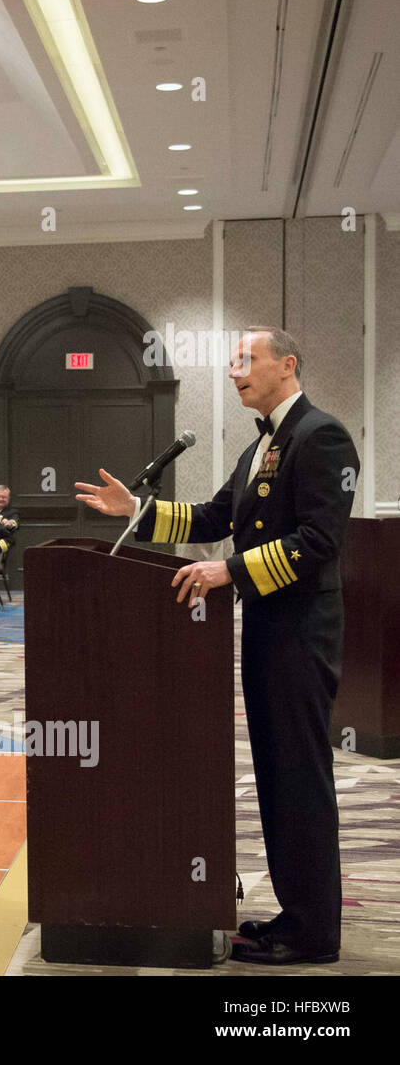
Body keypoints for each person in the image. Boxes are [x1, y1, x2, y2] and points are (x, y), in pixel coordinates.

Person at [76, 327, 358, 966]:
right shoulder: (262, 445)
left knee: (301, 781)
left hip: (302, 637)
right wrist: (137, 513)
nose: (234, 372)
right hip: (267, 634)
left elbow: (318, 543)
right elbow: (211, 517)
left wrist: (230, 571)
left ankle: (315, 933)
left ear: (287, 365)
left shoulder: (322, 438)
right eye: (232, 362)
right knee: (277, 780)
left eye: (245, 360)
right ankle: (296, 913)